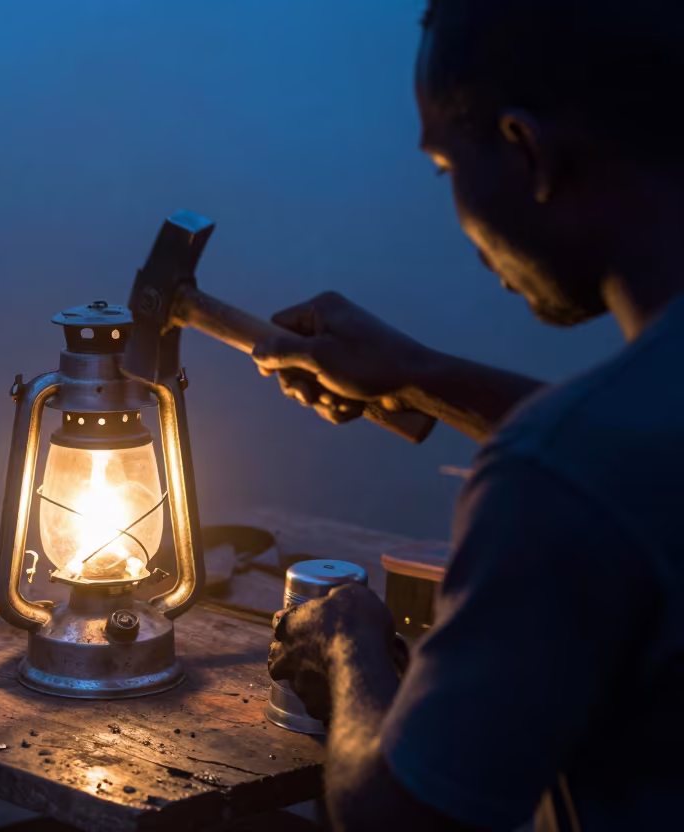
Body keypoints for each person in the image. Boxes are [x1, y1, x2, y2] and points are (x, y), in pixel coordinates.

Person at [254, 1, 684, 830]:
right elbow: (634, 456)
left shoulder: (553, 474)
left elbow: (396, 817)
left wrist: (348, 641)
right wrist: (420, 375)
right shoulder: (612, 439)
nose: (457, 214)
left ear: (528, 150)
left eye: (446, 165)